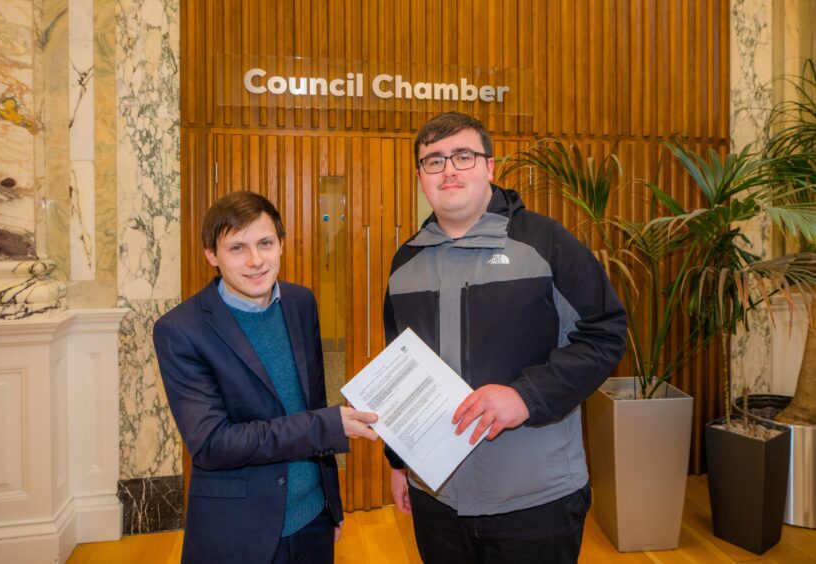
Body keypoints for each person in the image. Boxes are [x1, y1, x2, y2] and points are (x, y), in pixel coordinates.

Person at [383, 112, 627, 563]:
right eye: (433, 161)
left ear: (490, 167)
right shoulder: (404, 265)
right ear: (420, 179)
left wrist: (525, 397)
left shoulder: (545, 243)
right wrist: (398, 463)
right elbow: (402, 372)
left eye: (463, 155)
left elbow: (605, 334)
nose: (449, 169)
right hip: (436, 500)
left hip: (535, 500)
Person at [154, 191, 378, 564]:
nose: (256, 260)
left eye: (265, 243)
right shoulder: (180, 330)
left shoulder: (301, 302)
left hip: (313, 519)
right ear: (212, 255)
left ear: (281, 245)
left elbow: (312, 402)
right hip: (239, 532)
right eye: (237, 248)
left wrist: (331, 505)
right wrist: (325, 426)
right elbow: (212, 443)